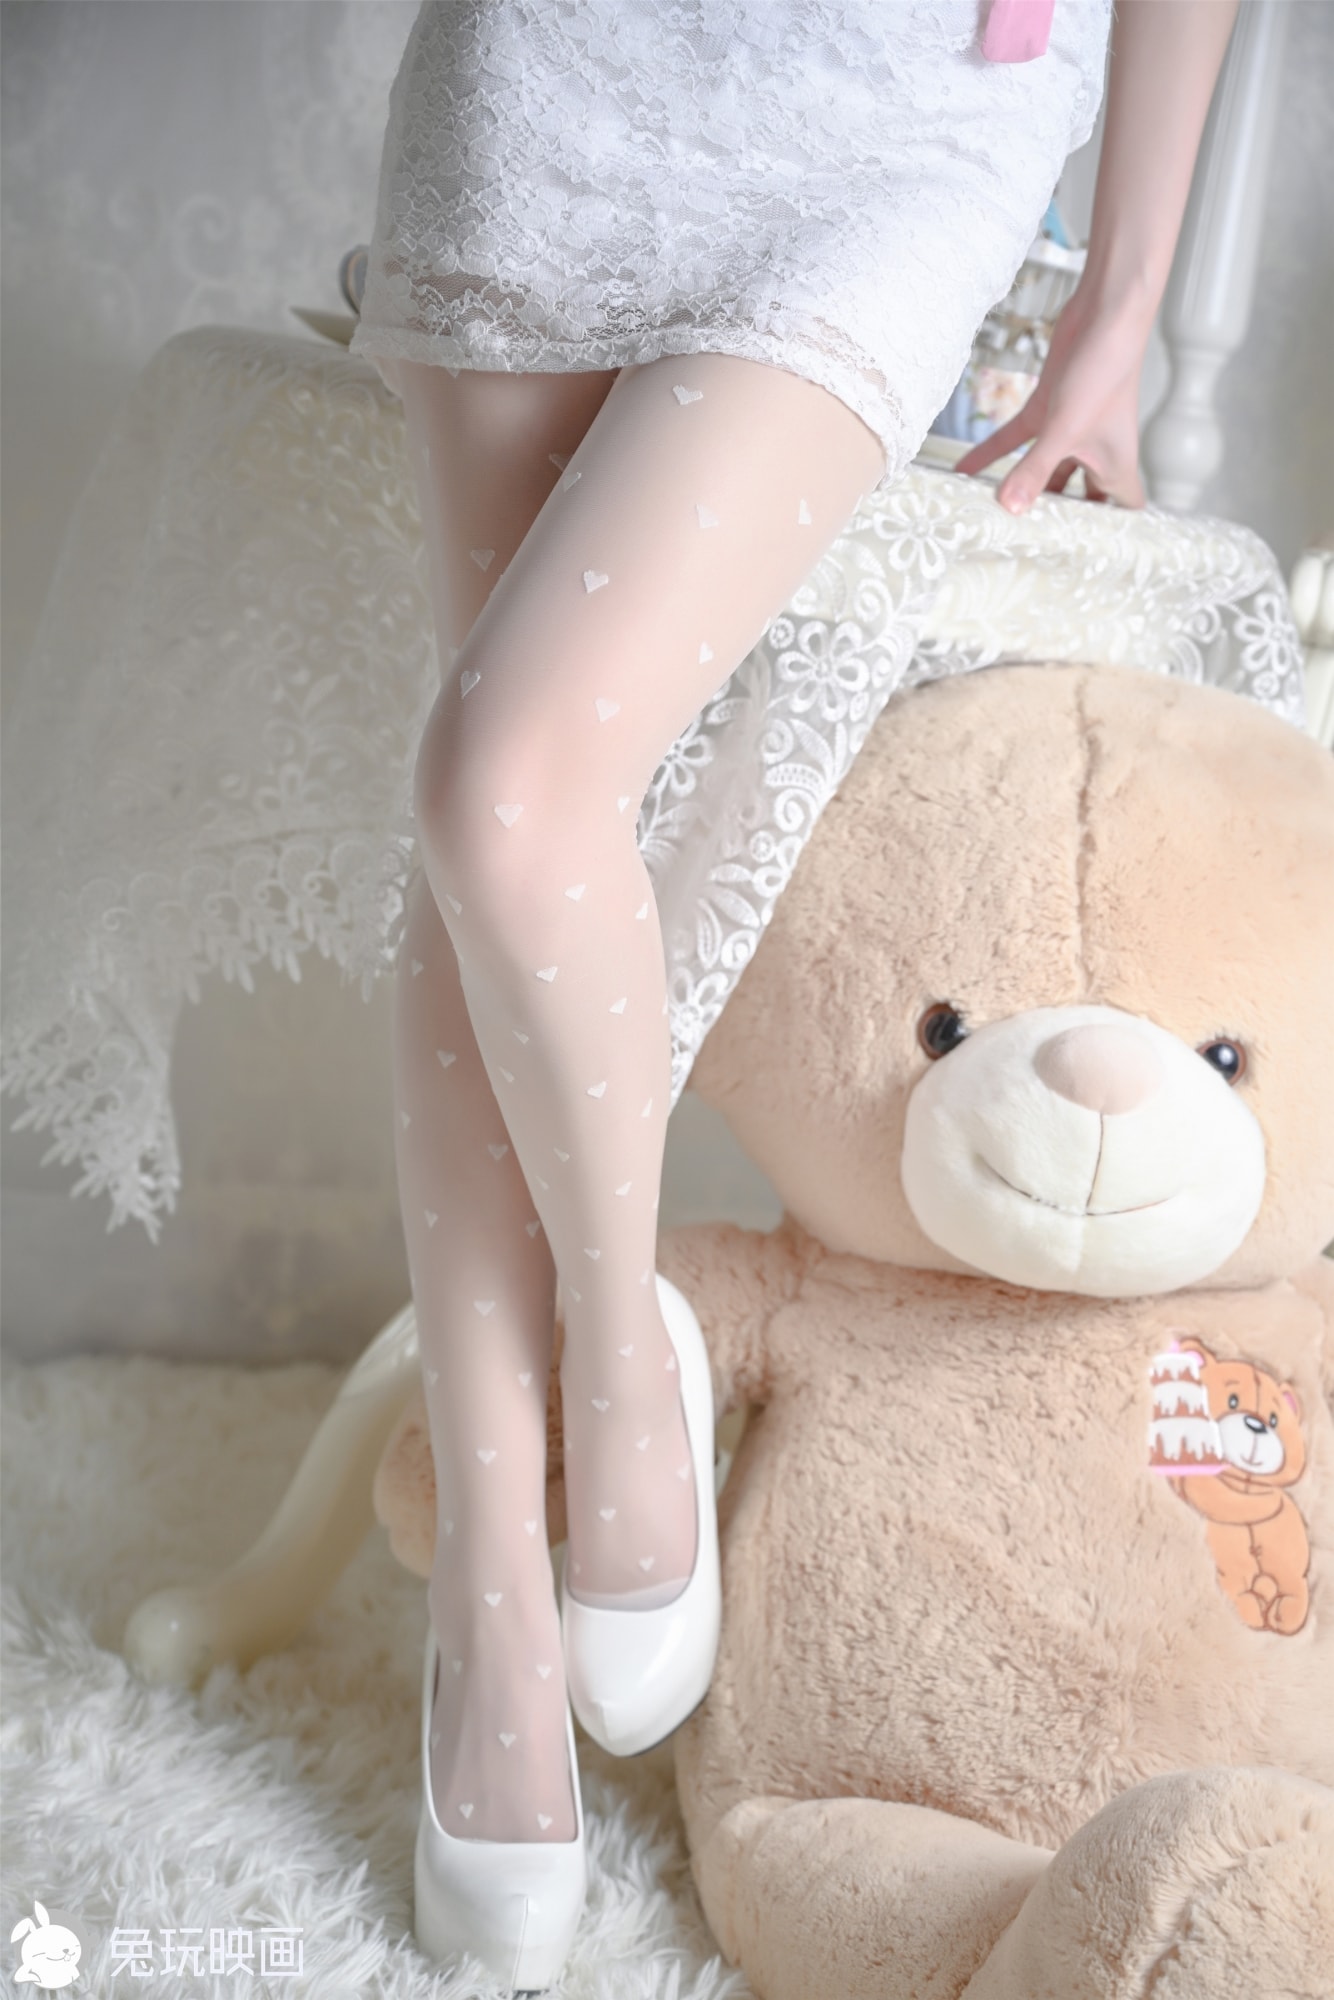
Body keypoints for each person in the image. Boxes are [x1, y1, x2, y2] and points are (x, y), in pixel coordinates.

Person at [347, 1, 1239, 1985]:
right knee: (488, 811)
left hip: (904, 115)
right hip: (546, 77)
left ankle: (618, 1356)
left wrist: (1119, 310)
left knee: (503, 783)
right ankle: (494, 1590)